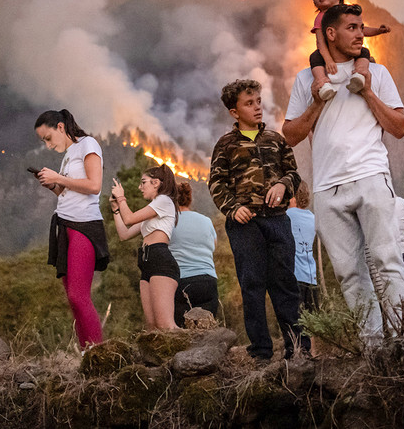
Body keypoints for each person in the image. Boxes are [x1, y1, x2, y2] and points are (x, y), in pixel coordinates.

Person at [283, 4, 404, 340]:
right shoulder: (306, 79)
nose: (359, 34)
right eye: (352, 27)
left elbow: (399, 127)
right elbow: (291, 135)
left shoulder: (378, 73)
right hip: (327, 187)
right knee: (349, 273)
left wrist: (367, 90)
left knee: (387, 260)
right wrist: (316, 103)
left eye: (361, 27)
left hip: (371, 176)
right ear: (330, 33)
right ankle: (373, 348)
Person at [209, 79, 309, 361]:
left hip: (278, 220)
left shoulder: (276, 139)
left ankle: (298, 347)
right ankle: (261, 351)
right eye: (248, 103)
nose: (257, 108)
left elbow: (293, 173)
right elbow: (216, 183)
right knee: (252, 284)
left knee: (285, 283)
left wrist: (283, 186)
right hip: (245, 224)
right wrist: (232, 208)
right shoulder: (226, 145)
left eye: (258, 102)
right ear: (234, 112)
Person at [34, 109, 110, 348]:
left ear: (60, 127)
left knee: (79, 295)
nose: (47, 145)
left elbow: (94, 185)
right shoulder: (68, 154)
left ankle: (98, 351)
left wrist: (59, 177)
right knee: (72, 297)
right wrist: (54, 185)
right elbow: (68, 191)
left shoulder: (88, 144)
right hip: (65, 225)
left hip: (84, 224)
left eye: (48, 138)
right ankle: (86, 350)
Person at [109, 164, 181, 330]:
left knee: (165, 325)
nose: (140, 187)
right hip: (147, 262)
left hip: (160, 260)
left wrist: (121, 198)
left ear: (156, 183)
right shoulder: (152, 211)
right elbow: (124, 234)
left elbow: (129, 219)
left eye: (144, 182)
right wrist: (115, 210)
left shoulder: (163, 201)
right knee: (152, 326)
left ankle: (196, 348)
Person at [307, 0, 390, 99]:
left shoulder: (347, 13)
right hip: (325, 53)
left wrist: (378, 31)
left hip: (346, 52)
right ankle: (323, 84)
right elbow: (320, 42)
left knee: (364, 51)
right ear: (314, 2)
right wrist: (328, 59)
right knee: (315, 58)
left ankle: (359, 75)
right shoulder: (320, 18)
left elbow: (361, 30)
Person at [167, 182, 220, 326]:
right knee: (207, 330)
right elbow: (213, 246)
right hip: (207, 280)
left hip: (181, 282)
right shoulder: (206, 221)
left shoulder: (169, 222)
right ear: (190, 198)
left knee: (182, 332)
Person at [286, 184, 320, 313]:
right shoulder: (313, 218)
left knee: (296, 321)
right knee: (312, 321)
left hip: (294, 275)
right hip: (311, 276)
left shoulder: (287, 216)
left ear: (292, 197)